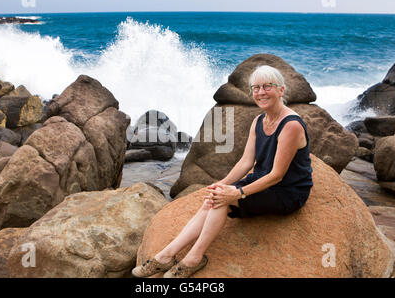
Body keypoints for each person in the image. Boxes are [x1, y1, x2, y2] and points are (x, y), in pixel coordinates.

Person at [132, 65, 313, 278]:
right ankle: (166, 255)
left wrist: (238, 193)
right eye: (256, 88)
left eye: (267, 86)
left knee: (223, 199)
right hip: (261, 181)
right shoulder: (259, 121)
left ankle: (193, 258)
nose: (260, 92)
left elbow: (277, 175)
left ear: (281, 90)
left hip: (286, 191)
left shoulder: (291, 125)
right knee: (215, 195)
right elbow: (246, 162)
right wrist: (222, 183)